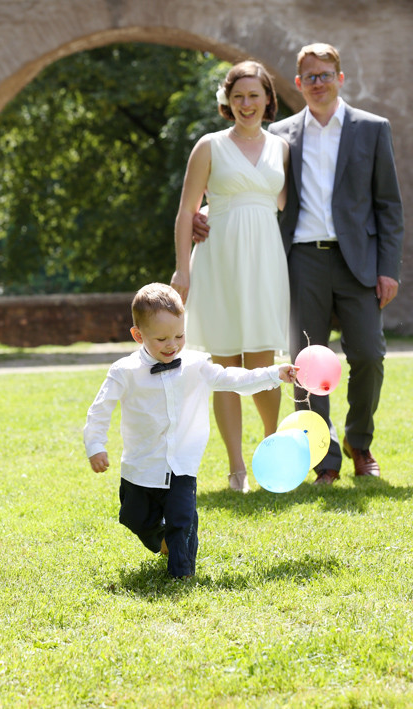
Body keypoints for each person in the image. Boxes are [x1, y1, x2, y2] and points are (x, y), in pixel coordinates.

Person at [193, 43, 404, 485]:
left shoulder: (372, 128)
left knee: (369, 354)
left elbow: (388, 205)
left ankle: (358, 443)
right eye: (310, 76)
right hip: (301, 259)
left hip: (359, 262)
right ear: (297, 84)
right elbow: (250, 183)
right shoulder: (283, 136)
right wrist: (206, 215)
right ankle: (322, 458)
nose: (318, 82)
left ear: (340, 78)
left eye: (326, 74)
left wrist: (389, 268)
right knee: (306, 363)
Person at [84, 283, 298, 579]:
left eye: (179, 335)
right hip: (141, 464)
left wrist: (273, 374)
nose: (172, 344)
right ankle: (162, 542)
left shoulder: (197, 364)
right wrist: (96, 445)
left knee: (182, 519)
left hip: (183, 462)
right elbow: (100, 408)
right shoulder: (124, 371)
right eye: (161, 338)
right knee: (133, 517)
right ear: (138, 335)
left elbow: (232, 378)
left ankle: (182, 573)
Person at [170, 60, 290, 494]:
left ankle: (274, 453)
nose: (246, 104)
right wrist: (183, 268)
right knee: (223, 365)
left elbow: (280, 204)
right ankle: (236, 467)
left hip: (266, 261)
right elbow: (187, 211)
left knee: (263, 362)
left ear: (267, 100)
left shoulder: (282, 149)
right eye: (237, 96)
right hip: (218, 258)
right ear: (227, 100)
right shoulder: (209, 146)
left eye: (254, 95)